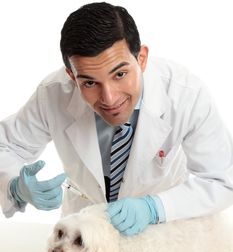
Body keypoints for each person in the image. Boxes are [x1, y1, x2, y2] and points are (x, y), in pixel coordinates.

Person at [0, 2, 233, 235]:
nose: (109, 99)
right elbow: (5, 146)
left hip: (164, 230)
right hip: (84, 232)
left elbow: (222, 181)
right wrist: (14, 186)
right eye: (90, 82)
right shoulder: (53, 93)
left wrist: (154, 208)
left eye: (120, 74)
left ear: (141, 58)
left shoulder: (184, 94)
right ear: (71, 75)